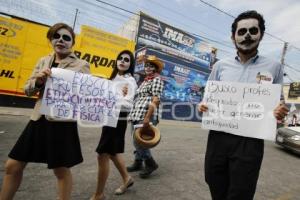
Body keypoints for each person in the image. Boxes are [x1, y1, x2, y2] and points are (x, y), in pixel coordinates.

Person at [198, 11, 289, 200]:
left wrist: (279, 111)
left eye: (253, 30)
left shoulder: (274, 67)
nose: (247, 35)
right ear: (233, 37)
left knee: (241, 191)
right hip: (218, 135)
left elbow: (279, 102)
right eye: (242, 31)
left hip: (251, 140)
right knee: (213, 180)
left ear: (261, 34)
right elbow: (208, 96)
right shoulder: (220, 66)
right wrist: (203, 106)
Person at [0, 23, 90, 200]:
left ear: (72, 42)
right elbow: (28, 90)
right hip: (38, 119)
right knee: (13, 166)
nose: (61, 40)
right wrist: (39, 82)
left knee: (61, 170)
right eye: (56, 36)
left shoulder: (81, 64)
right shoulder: (43, 60)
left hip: (61, 123)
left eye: (66, 37)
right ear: (51, 39)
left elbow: (84, 94)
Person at [90, 50, 138, 200]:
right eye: (120, 58)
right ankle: (127, 178)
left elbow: (127, 105)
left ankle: (99, 194)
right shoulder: (113, 79)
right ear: (116, 61)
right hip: (108, 117)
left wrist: (113, 97)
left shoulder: (130, 81)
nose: (122, 61)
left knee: (102, 154)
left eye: (126, 60)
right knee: (111, 152)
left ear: (130, 65)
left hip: (118, 118)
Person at [127, 55, 164, 178]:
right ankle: (138, 162)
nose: (148, 67)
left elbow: (156, 99)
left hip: (146, 113)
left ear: (155, 69)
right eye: (146, 65)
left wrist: (148, 117)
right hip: (136, 112)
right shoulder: (145, 80)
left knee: (141, 142)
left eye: (151, 66)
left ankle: (150, 163)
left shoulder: (157, 80)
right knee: (136, 139)